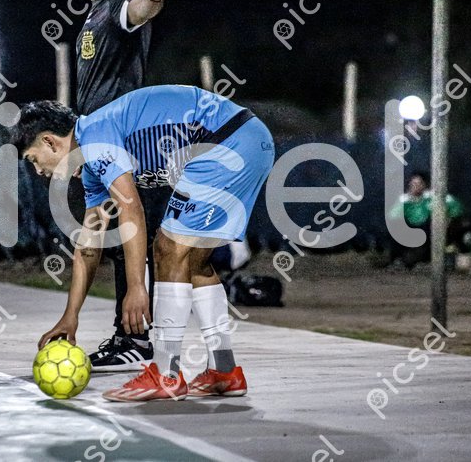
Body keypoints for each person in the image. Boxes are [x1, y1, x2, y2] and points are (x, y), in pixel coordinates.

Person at [14, 85, 275, 401]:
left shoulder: (95, 137)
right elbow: (89, 245)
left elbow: (131, 209)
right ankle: (224, 371)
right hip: (247, 139)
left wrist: (137, 287)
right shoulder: (92, 163)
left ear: (49, 141)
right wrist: (71, 316)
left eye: (33, 159)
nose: (38, 170)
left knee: (167, 248)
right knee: (193, 262)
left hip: (229, 141)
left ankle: (165, 374)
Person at [70, 0, 170, 372]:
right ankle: (132, 336)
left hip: (125, 142)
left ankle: (139, 337)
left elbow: (138, 12)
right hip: (101, 142)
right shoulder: (96, 11)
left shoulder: (120, 3)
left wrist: (152, 2)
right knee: (114, 240)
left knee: (135, 239)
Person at [385, 172, 468, 270]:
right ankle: (398, 260)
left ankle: (430, 260)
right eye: (413, 184)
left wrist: (448, 217)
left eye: (418, 183)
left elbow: (456, 207)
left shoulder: (433, 197)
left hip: (430, 231)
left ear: (425, 185)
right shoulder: (404, 200)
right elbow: (392, 216)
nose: (415, 186)